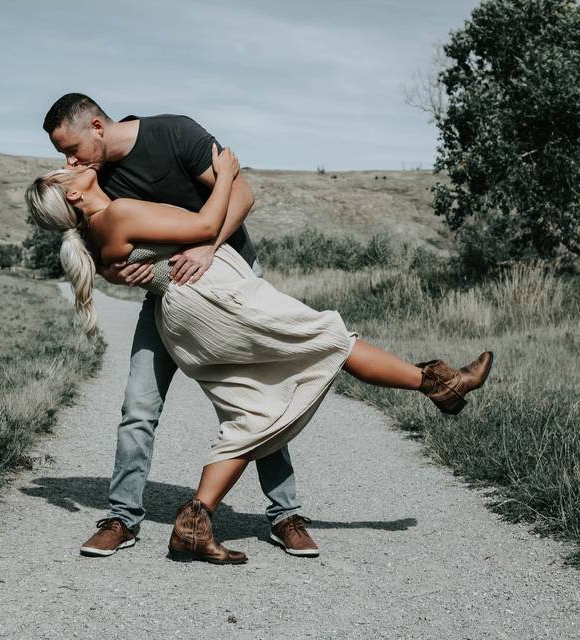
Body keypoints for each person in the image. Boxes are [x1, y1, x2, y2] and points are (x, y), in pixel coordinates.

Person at [25, 144, 494, 565]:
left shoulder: (96, 234)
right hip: (215, 297)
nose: (71, 165)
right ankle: (439, 384)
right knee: (328, 336)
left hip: (187, 314)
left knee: (253, 409)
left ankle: (195, 522)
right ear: (70, 196)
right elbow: (207, 226)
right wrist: (227, 173)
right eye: (62, 172)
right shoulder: (119, 213)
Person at [42, 94, 321, 558]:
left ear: (96, 125)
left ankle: (284, 514)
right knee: (138, 406)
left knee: (254, 401)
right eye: (62, 156)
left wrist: (207, 247)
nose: (69, 160)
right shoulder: (93, 179)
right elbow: (103, 244)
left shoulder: (173, 133)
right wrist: (116, 272)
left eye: (71, 149)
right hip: (165, 300)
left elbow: (243, 194)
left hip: (228, 288)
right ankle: (122, 517)